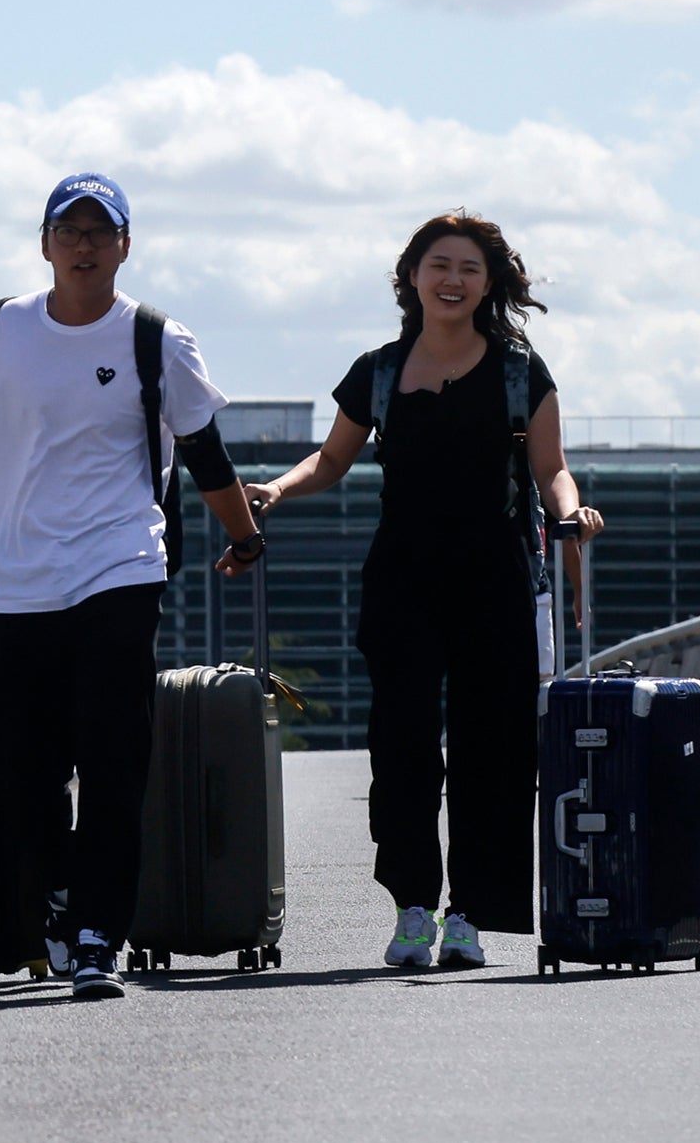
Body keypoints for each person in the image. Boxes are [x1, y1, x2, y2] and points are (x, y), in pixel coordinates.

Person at [248, 211, 600, 973]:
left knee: (492, 751)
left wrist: (571, 514)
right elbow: (330, 459)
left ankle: (468, 914)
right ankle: (412, 907)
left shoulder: (519, 371)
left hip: (494, 581)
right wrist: (274, 490)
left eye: (469, 268)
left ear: (488, 283)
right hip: (403, 581)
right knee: (401, 746)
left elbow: (550, 471)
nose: (452, 280)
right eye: (438, 265)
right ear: (410, 276)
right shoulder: (378, 371)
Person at [0, 174, 263, 1000]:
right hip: (13, 578)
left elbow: (205, 453)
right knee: (22, 771)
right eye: (69, 230)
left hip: (117, 565)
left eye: (99, 231)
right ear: (44, 244)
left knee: (112, 759)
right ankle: (57, 897)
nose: (82, 245)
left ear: (124, 245)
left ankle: (97, 935)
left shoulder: (156, 339)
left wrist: (243, 537)